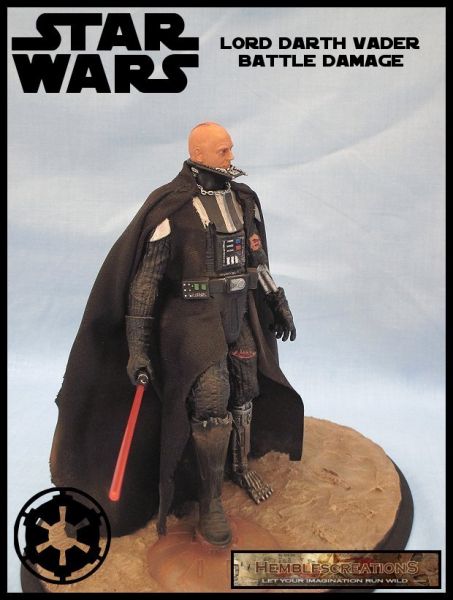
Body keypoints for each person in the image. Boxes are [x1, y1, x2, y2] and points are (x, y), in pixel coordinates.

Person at [50, 122, 304, 546]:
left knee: (244, 391)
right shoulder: (172, 208)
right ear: (198, 155)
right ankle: (210, 502)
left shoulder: (244, 201)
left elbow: (257, 262)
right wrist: (137, 348)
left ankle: (239, 466)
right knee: (211, 401)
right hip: (193, 323)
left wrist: (277, 301)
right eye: (223, 151)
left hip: (238, 313)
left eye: (231, 149)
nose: (231, 156)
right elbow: (145, 284)